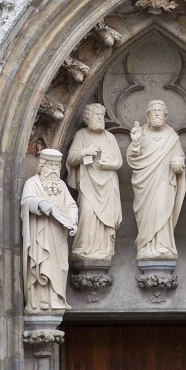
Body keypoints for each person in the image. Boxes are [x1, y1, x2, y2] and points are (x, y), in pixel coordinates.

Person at [126, 100, 186, 261]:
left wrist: (178, 163)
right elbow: (132, 159)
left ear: (165, 116)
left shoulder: (172, 137)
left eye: (160, 111)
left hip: (165, 182)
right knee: (147, 214)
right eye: (154, 111)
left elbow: (179, 157)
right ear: (148, 116)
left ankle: (163, 245)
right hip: (145, 184)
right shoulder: (141, 133)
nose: (157, 113)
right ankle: (146, 246)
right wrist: (136, 141)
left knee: (162, 209)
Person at [21, 149, 78, 314]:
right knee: (42, 264)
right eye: (50, 165)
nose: (54, 169)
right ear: (42, 166)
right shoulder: (33, 183)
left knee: (60, 266)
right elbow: (26, 202)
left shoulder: (61, 186)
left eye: (56, 166)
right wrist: (39, 204)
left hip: (58, 233)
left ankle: (57, 298)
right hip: (41, 233)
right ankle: (40, 300)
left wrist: (72, 219)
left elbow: (71, 205)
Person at [66, 103, 123, 262]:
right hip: (88, 183)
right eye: (96, 115)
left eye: (101, 115)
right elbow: (71, 159)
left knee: (107, 220)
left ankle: (104, 250)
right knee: (87, 212)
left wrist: (108, 165)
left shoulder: (109, 137)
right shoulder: (81, 135)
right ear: (87, 118)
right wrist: (86, 151)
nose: (99, 118)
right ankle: (83, 248)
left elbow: (118, 161)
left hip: (108, 184)